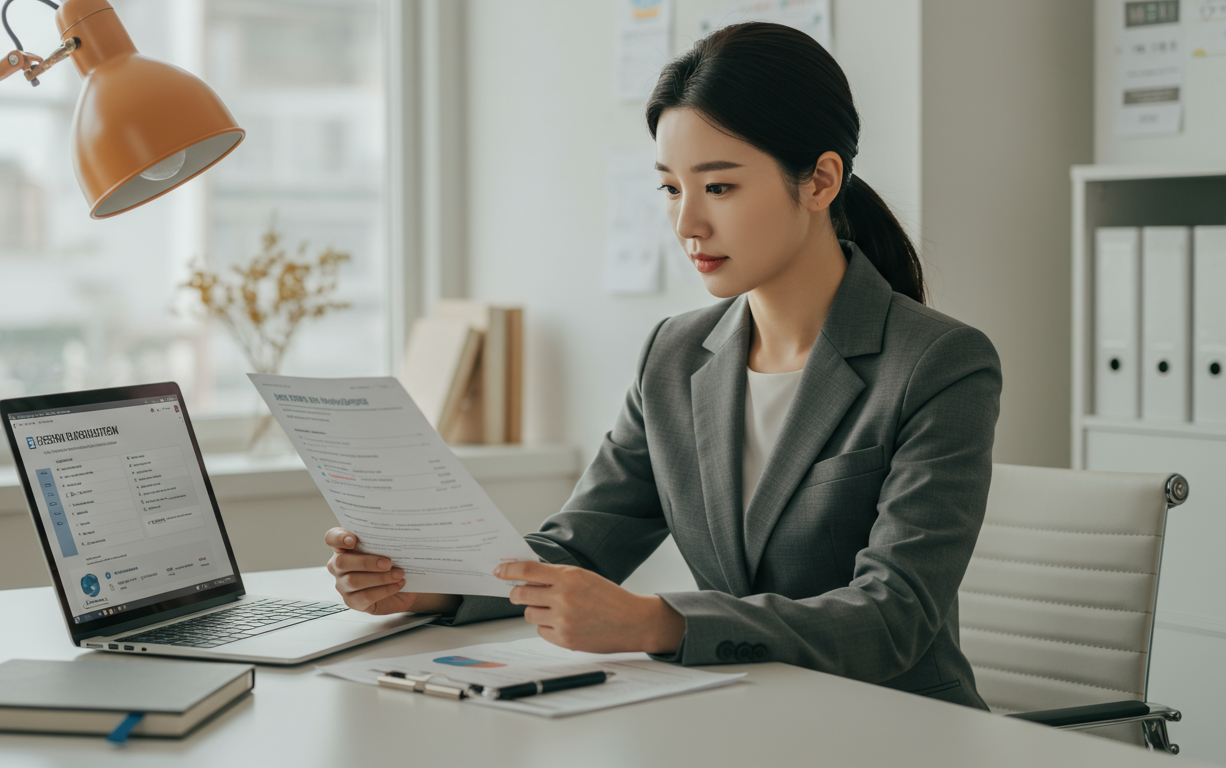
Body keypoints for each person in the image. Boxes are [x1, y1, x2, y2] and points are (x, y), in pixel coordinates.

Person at [324, 22, 1000, 708]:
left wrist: (659, 622)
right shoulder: (673, 356)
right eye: (671, 189)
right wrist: (434, 585)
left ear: (821, 180)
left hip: (897, 724)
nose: (687, 225)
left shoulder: (938, 363)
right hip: (738, 715)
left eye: (720, 187)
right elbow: (581, 547)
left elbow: (893, 617)